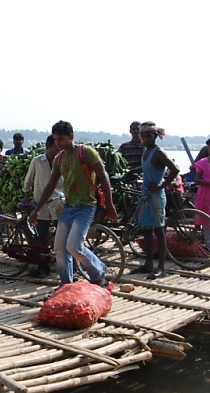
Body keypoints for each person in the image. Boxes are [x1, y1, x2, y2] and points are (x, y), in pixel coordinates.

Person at [28, 121, 117, 286]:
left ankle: (98, 271)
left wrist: (110, 205)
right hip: (68, 206)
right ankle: (65, 284)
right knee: (60, 249)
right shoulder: (59, 159)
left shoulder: (86, 153)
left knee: (74, 246)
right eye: (56, 139)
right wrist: (37, 210)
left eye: (61, 139)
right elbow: (50, 186)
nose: (58, 143)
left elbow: (103, 177)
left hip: (86, 206)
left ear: (71, 137)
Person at [129, 123, 179, 279]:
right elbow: (145, 169)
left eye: (148, 136)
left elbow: (174, 170)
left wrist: (161, 185)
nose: (145, 139)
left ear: (155, 137)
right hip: (145, 195)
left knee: (159, 231)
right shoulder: (146, 151)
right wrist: (129, 173)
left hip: (156, 196)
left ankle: (161, 268)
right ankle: (148, 263)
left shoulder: (159, 152)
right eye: (143, 136)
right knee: (146, 230)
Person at [21, 135, 63, 276]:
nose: (59, 149)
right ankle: (43, 268)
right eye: (56, 146)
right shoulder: (37, 161)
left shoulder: (62, 161)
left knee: (63, 236)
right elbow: (28, 180)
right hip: (41, 205)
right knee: (41, 237)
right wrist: (26, 195)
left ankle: (67, 267)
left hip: (58, 203)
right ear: (49, 146)